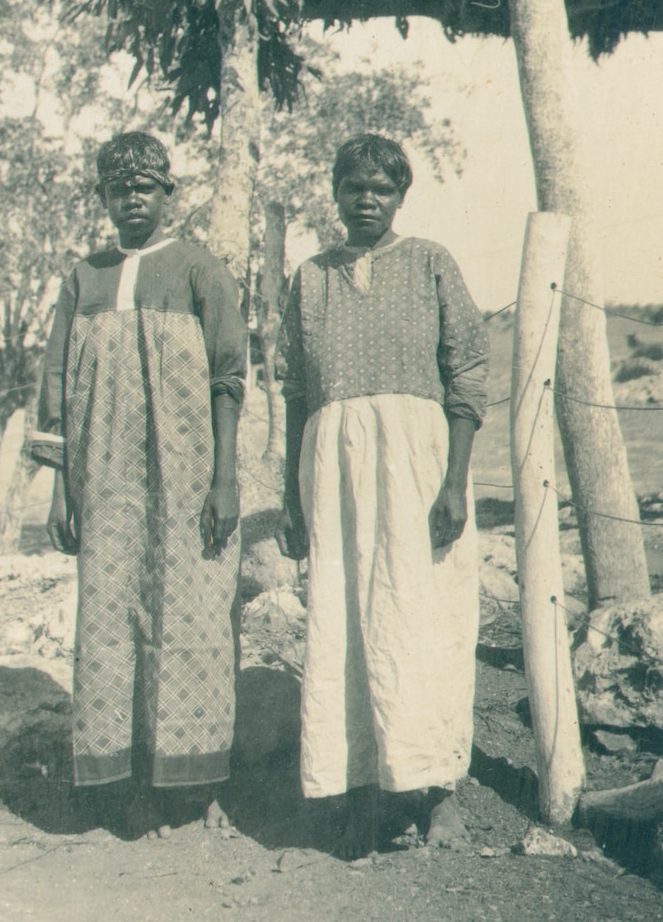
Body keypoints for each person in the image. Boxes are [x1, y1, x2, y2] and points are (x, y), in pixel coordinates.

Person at [274, 133, 489, 858]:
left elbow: (466, 375)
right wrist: (290, 493)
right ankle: (364, 790)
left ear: (400, 196)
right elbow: (297, 393)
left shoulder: (430, 263)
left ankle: (436, 792)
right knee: (345, 623)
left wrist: (454, 480)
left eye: (381, 188)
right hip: (332, 468)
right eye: (353, 186)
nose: (366, 199)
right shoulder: (309, 278)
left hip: (417, 465)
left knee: (424, 618)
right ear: (333, 193)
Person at [36, 132, 247, 837]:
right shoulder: (83, 278)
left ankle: (194, 787)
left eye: (144, 189)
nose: (131, 201)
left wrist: (223, 481)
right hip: (103, 484)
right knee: (108, 619)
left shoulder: (198, 269)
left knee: (188, 617)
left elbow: (228, 379)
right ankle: (120, 788)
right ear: (103, 198)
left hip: (186, 484)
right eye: (117, 190)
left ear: (167, 194)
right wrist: (61, 491)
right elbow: (59, 387)